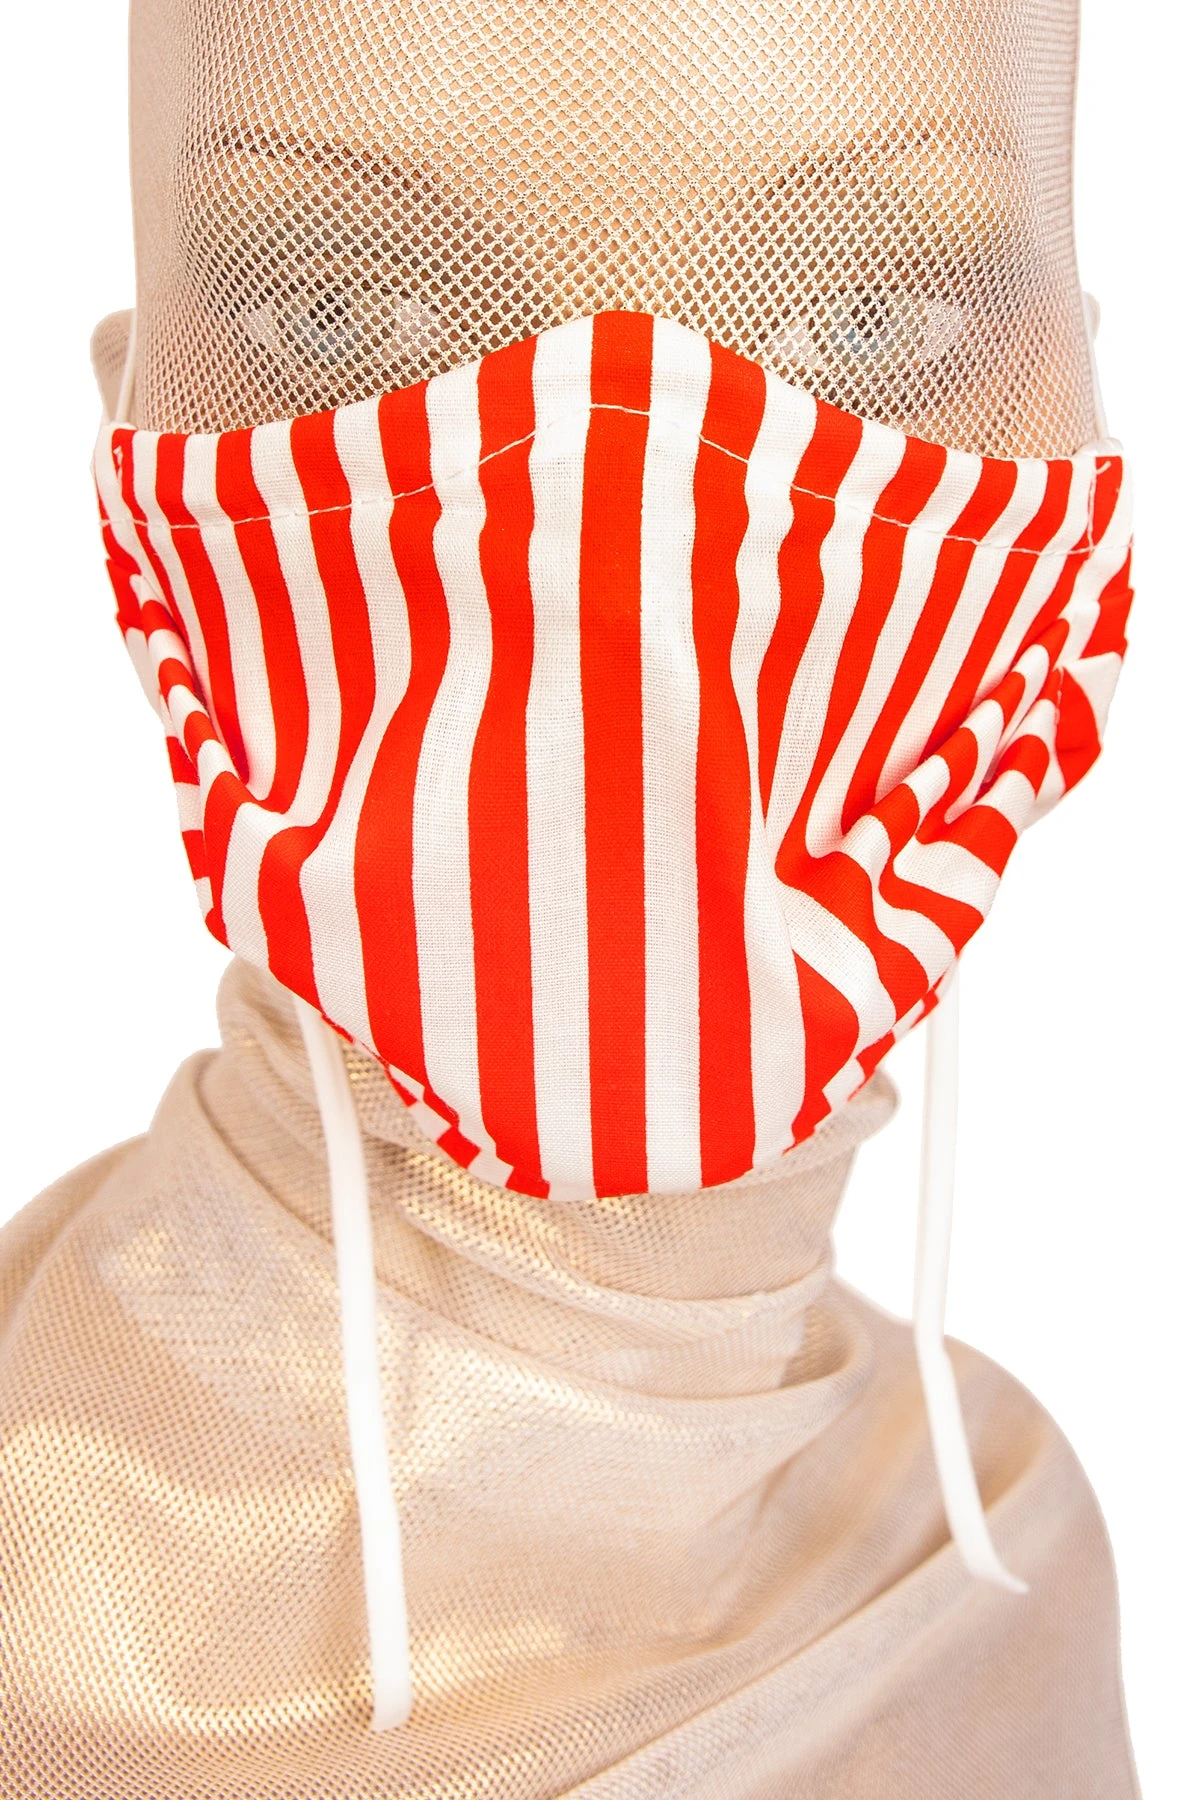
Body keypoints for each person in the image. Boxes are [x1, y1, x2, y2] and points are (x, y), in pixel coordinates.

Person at [1, 0, 1139, 1792]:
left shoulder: (1002, 1545)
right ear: (131, 432)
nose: (618, 543)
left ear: (1078, 424)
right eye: (342, 307)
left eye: (866, 316)